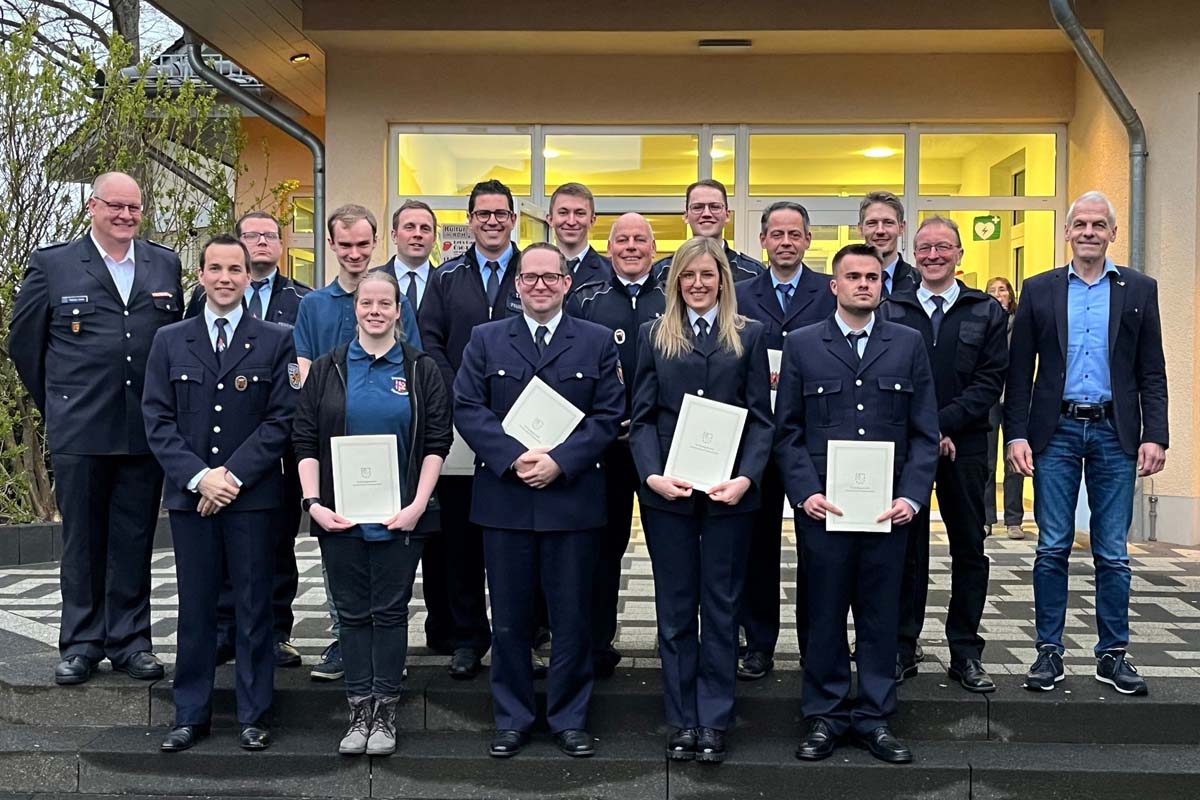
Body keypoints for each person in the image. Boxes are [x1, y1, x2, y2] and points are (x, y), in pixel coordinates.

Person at [9, 171, 182, 686]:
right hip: (81, 428)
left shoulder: (163, 263)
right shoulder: (54, 265)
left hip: (142, 428)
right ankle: (82, 643)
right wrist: (60, 403)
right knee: (82, 541)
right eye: (116, 207)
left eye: (134, 208)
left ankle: (131, 642)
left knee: (134, 538)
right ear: (92, 206)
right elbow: (25, 345)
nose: (126, 216)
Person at [453, 242, 623, 759]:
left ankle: (569, 718)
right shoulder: (486, 340)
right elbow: (467, 405)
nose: (541, 286)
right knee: (508, 617)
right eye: (531, 278)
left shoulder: (595, 342)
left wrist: (561, 461)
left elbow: (609, 412)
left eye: (552, 278)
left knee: (572, 617)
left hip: (571, 499)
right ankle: (512, 717)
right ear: (517, 285)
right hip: (506, 497)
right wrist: (513, 456)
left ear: (567, 284)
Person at [776, 243, 938, 765]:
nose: (864, 284)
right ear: (835, 285)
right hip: (826, 508)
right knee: (821, 612)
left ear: (882, 285)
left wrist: (912, 496)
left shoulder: (908, 343)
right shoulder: (803, 344)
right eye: (853, 276)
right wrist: (805, 493)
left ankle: (873, 716)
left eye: (872, 276)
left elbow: (924, 432)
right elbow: (788, 432)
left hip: (888, 511)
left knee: (879, 613)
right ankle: (823, 714)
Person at [1006, 190, 1168, 696]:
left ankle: (1112, 654)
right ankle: (1049, 652)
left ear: (1113, 233)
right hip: (1053, 432)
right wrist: (1015, 435)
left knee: (1113, 551)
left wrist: (1155, 435)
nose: (1090, 232)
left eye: (1099, 225)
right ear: (1068, 231)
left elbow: (1151, 370)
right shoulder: (1039, 290)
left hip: (1113, 432)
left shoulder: (1140, 289)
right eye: (1081, 224)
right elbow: (1019, 374)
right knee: (1051, 546)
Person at [143, 234, 299, 752]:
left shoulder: (276, 339)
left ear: (248, 275)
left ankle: (255, 715)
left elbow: (281, 421)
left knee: (255, 608)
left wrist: (228, 477)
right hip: (192, 500)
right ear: (202, 275)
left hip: (251, 499)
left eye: (236, 269)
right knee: (196, 608)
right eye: (216, 268)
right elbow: (158, 419)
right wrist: (198, 478)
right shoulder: (171, 340)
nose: (226, 278)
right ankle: (191, 713)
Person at [292, 271, 452, 756]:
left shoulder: (422, 370)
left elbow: (435, 443)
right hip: (338, 518)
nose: (376, 310)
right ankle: (357, 708)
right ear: (356, 309)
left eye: (386, 303)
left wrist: (418, 505)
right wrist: (313, 504)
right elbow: (304, 440)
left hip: (402, 517)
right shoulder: (327, 368)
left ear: (399, 310)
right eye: (367, 303)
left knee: (389, 612)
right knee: (352, 614)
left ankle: (385, 711)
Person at [630, 236, 774, 764]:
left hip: (727, 495)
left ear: (722, 281)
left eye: (707, 276)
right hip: (670, 493)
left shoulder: (749, 336)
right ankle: (681, 718)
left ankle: (713, 719)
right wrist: (651, 475)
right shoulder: (654, 335)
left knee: (720, 608)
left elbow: (762, 418)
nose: (697, 284)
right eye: (687, 276)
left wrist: (746, 479)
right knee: (673, 609)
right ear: (675, 282)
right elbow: (641, 417)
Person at [879, 217, 1008, 694]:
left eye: (943, 247)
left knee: (969, 549)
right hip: (906, 447)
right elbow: (884, 377)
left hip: (967, 445)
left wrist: (941, 425)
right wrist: (924, 431)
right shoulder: (892, 309)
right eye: (925, 248)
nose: (933, 255)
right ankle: (901, 646)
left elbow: (990, 382)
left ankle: (965, 652)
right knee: (905, 548)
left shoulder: (986, 310)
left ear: (960, 254)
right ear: (915, 255)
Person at [292, 203, 422, 681]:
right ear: (330, 245)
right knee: (340, 548)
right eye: (344, 244)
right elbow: (302, 371)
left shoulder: (392, 295)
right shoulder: (313, 305)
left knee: (388, 555)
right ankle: (341, 639)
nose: (353, 252)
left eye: (363, 244)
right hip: (332, 450)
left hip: (390, 455)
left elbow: (415, 368)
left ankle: (385, 649)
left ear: (375, 244)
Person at [185, 210, 311, 669]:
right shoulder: (195, 306)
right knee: (217, 550)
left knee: (276, 545)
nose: (261, 242)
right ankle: (223, 630)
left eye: (269, 235)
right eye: (251, 235)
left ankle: (276, 631)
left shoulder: (303, 300)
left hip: (277, 451)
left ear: (280, 244)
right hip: (210, 455)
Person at [419, 179, 524, 679]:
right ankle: (467, 636)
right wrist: (460, 392)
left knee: (520, 534)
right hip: (462, 424)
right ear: (470, 220)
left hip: (525, 425)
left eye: (501, 214)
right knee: (460, 536)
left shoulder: (535, 272)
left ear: (513, 219)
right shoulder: (446, 278)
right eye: (482, 214)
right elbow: (428, 341)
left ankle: (522, 633)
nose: (492, 222)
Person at [733, 201, 835, 680]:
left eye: (795, 234)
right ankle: (758, 643)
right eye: (778, 234)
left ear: (808, 240)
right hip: (754, 437)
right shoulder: (740, 294)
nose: (787, 242)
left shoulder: (829, 291)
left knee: (818, 545)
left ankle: (817, 643)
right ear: (763, 240)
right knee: (756, 546)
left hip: (812, 437)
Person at [566, 212, 666, 678]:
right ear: (609, 248)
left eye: (639, 239)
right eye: (622, 239)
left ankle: (675, 642)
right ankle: (596, 642)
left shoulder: (673, 296)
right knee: (602, 549)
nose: (631, 246)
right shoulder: (587, 298)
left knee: (671, 548)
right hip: (602, 448)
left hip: (662, 448)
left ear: (654, 246)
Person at [652, 179, 764, 283]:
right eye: (697, 207)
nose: (706, 214)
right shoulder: (663, 270)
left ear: (727, 215)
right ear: (686, 216)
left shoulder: (753, 273)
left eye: (715, 207)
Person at [985, 276, 1027, 539]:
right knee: (986, 462)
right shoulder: (983, 323)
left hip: (1014, 398)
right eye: (992, 290)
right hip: (988, 400)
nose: (998, 294)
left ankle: (1014, 519)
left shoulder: (1021, 325)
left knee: (1015, 460)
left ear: (1011, 295)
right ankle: (986, 518)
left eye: (1002, 289)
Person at [376, 200, 439, 318]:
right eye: (409, 227)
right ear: (394, 236)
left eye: (425, 229)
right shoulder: (370, 281)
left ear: (434, 239)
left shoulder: (445, 284)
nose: (418, 234)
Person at [547, 182, 612, 291]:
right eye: (563, 213)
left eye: (580, 213)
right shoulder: (530, 270)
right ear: (550, 219)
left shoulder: (612, 272)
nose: (571, 221)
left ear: (592, 220)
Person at [858, 191, 917, 298]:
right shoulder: (845, 284)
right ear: (860, 229)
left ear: (901, 228)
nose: (880, 231)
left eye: (888, 222)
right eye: (872, 223)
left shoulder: (920, 283)